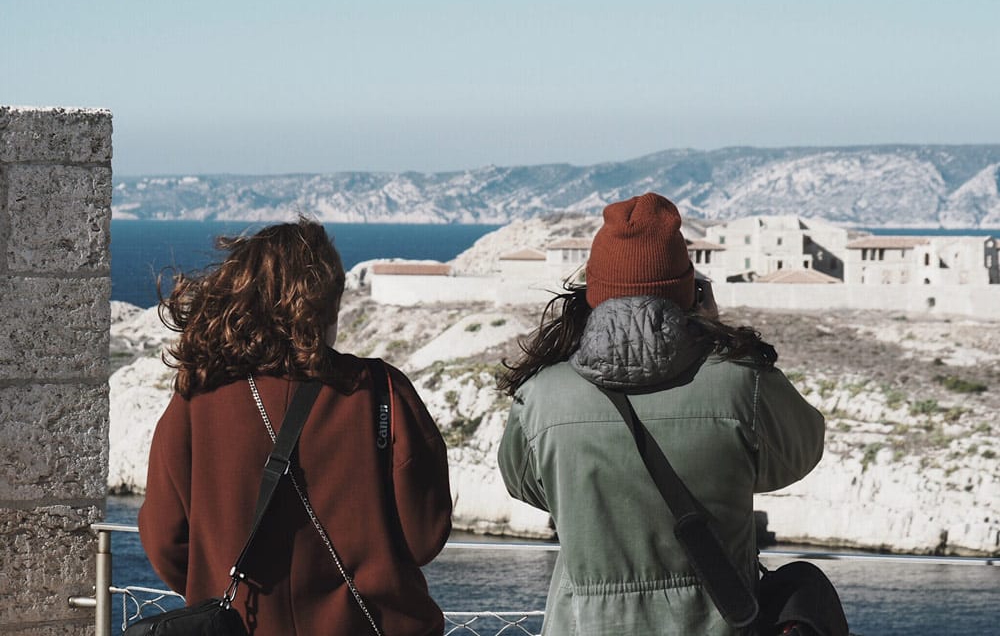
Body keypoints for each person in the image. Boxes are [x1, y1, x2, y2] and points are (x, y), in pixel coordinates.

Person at [497, 192, 824, 635]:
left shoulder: (542, 394)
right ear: (689, 290)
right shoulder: (742, 381)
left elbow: (527, 486)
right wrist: (716, 328)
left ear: (595, 291)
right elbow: (800, 455)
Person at [139, 218, 452, 635]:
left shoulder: (197, 398)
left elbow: (164, 540)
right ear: (325, 303)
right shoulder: (380, 391)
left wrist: (223, 585)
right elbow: (424, 536)